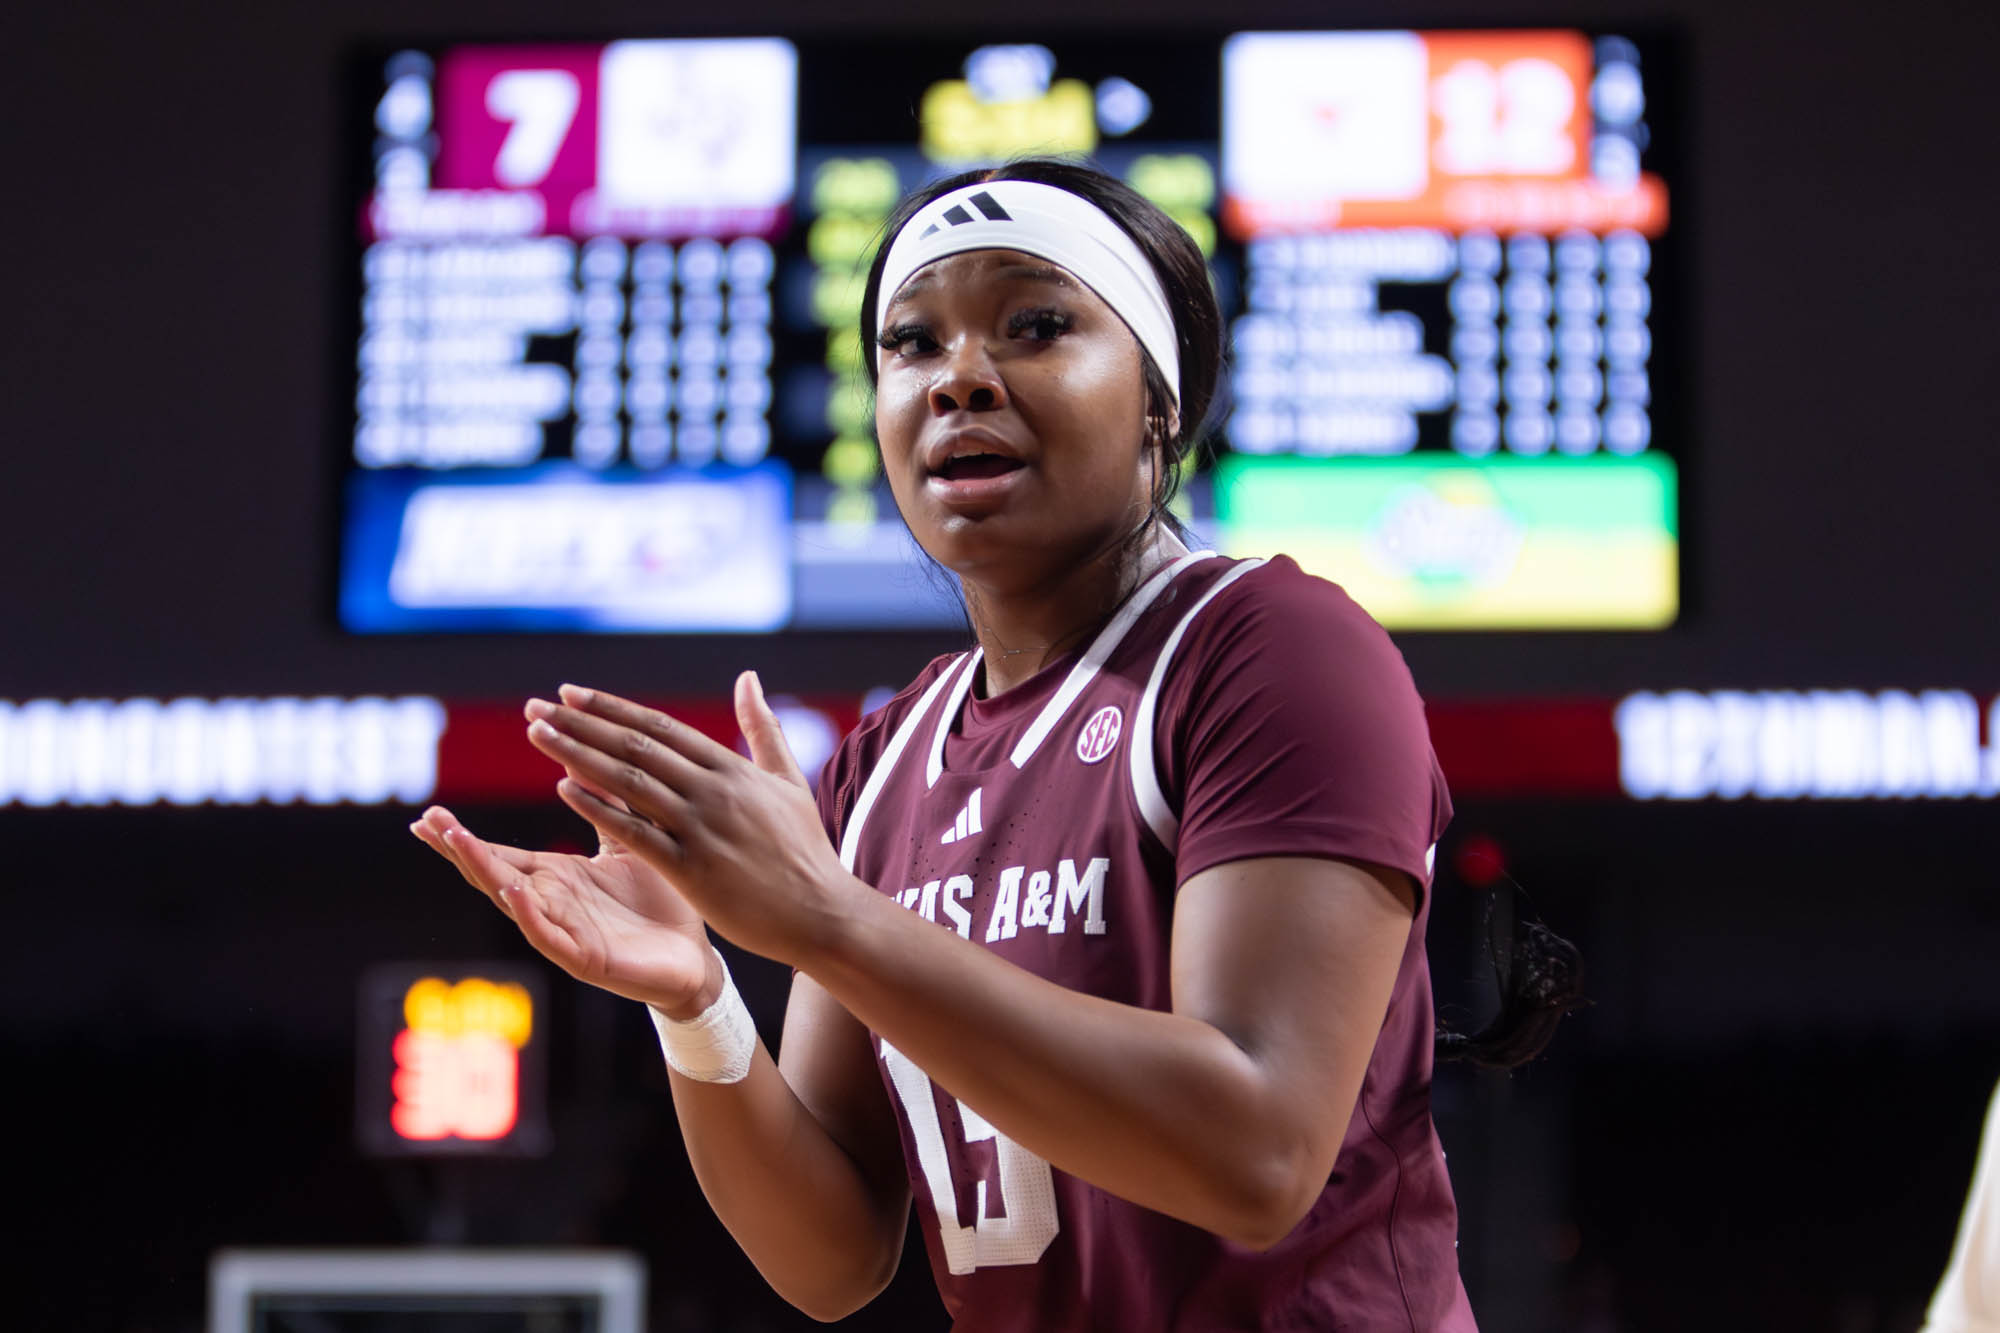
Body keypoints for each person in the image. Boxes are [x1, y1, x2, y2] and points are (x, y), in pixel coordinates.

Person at [414, 159, 1533, 1330]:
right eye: (910, 344)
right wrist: (697, 1004)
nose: (958, 379)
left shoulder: (1270, 649)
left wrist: (824, 918)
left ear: (1160, 399)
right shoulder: (888, 759)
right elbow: (833, 1253)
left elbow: (1253, 1155)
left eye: (1036, 325)